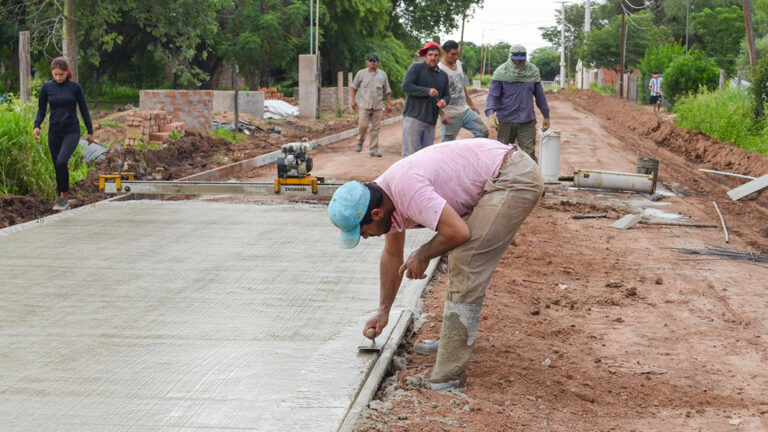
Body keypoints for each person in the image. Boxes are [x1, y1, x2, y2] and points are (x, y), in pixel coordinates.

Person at [328, 138, 543, 392]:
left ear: (376, 214)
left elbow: (458, 232)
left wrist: (423, 254)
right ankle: (453, 339)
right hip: (498, 173)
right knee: (456, 250)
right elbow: (392, 255)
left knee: (466, 256)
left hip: (512, 176)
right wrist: (384, 311)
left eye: (363, 232)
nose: (365, 237)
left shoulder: (406, 189)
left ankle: (447, 375)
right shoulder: (384, 196)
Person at [33, 57, 93, 211]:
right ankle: (60, 196)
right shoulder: (47, 88)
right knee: (58, 165)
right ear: (52, 73)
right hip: (54, 131)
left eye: (61, 74)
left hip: (71, 130)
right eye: (55, 74)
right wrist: (37, 125)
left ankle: (64, 197)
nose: (58, 77)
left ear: (67, 72)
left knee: (61, 161)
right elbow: (41, 109)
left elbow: (84, 110)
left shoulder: (75, 87)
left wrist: (90, 131)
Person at [485, 44, 550, 162]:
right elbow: (493, 95)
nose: (518, 63)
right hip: (506, 120)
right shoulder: (501, 72)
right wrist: (490, 113)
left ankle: (529, 179)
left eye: (521, 60)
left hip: (526, 121)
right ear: (510, 57)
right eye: (515, 60)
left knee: (528, 155)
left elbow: (540, 96)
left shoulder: (532, 72)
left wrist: (546, 115)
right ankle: (502, 179)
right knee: (502, 154)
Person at [400, 41, 450, 157]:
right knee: (410, 154)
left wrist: (444, 101)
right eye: (430, 55)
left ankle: (421, 176)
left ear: (439, 57)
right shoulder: (416, 68)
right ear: (425, 56)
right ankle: (407, 175)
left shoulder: (443, 75)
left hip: (431, 120)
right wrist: (427, 91)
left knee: (425, 156)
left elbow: (447, 95)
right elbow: (406, 86)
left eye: (436, 55)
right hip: (414, 117)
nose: (433, 58)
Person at [437, 40, 489, 142]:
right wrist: (442, 114)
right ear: (444, 53)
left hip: (465, 111)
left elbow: (462, 85)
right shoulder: (439, 70)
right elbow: (436, 96)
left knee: (483, 132)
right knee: (446, 146)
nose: (456, 57)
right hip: (450, 115)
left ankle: (469, 153)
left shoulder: (459, 64)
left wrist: (471, 104)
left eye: (457, 54)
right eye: (453, 54)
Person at [351, 53, 392, 157]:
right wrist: (353, 100)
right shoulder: (361, 74)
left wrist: (388, 104)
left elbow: (387, 91)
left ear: (378, 63)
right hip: (364, 105)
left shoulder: (382, 75)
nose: (372, 63)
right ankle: (360, 141)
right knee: (363, 125)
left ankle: (373, 149)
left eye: (374, 61)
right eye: (370, 61)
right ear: (367, 62)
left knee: (376, 128)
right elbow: (353, 87)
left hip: (377, 106)